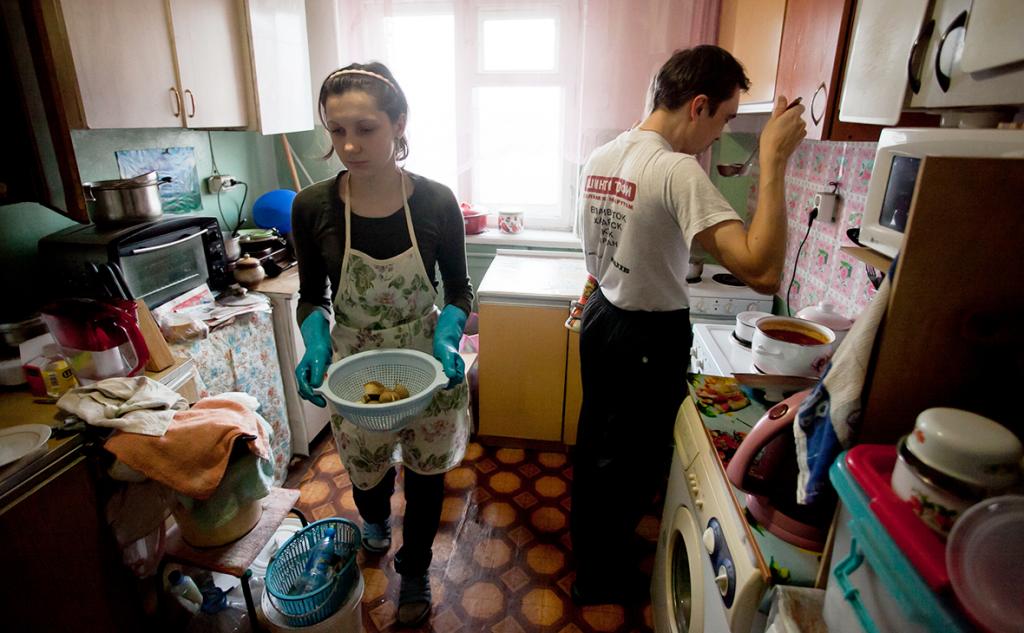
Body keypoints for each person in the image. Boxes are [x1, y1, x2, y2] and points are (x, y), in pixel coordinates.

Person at [569, 45, 806, 605]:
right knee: (634, 464)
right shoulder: (674, 168)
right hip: (645, 337)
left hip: (603, 317)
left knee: (598, 447)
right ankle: (600, 579)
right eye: (724, 118)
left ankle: (594, 559)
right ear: (698, 106)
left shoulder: (603, 154)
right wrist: (773, 162)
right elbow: (762, 270)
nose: (720, 132)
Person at [291, 61, 473, 627]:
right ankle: (372, 519)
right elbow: (311, 296)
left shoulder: (437, 202)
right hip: (355, 369)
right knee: (368, 476)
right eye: (337, 130)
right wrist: (315, 344)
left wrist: (448, 338)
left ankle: (414, 567)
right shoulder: (312, 206)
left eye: (365, 129)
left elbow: (459, 289)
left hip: (427, 363)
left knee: (426, 478)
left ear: (399, 123)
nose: (349, 146)